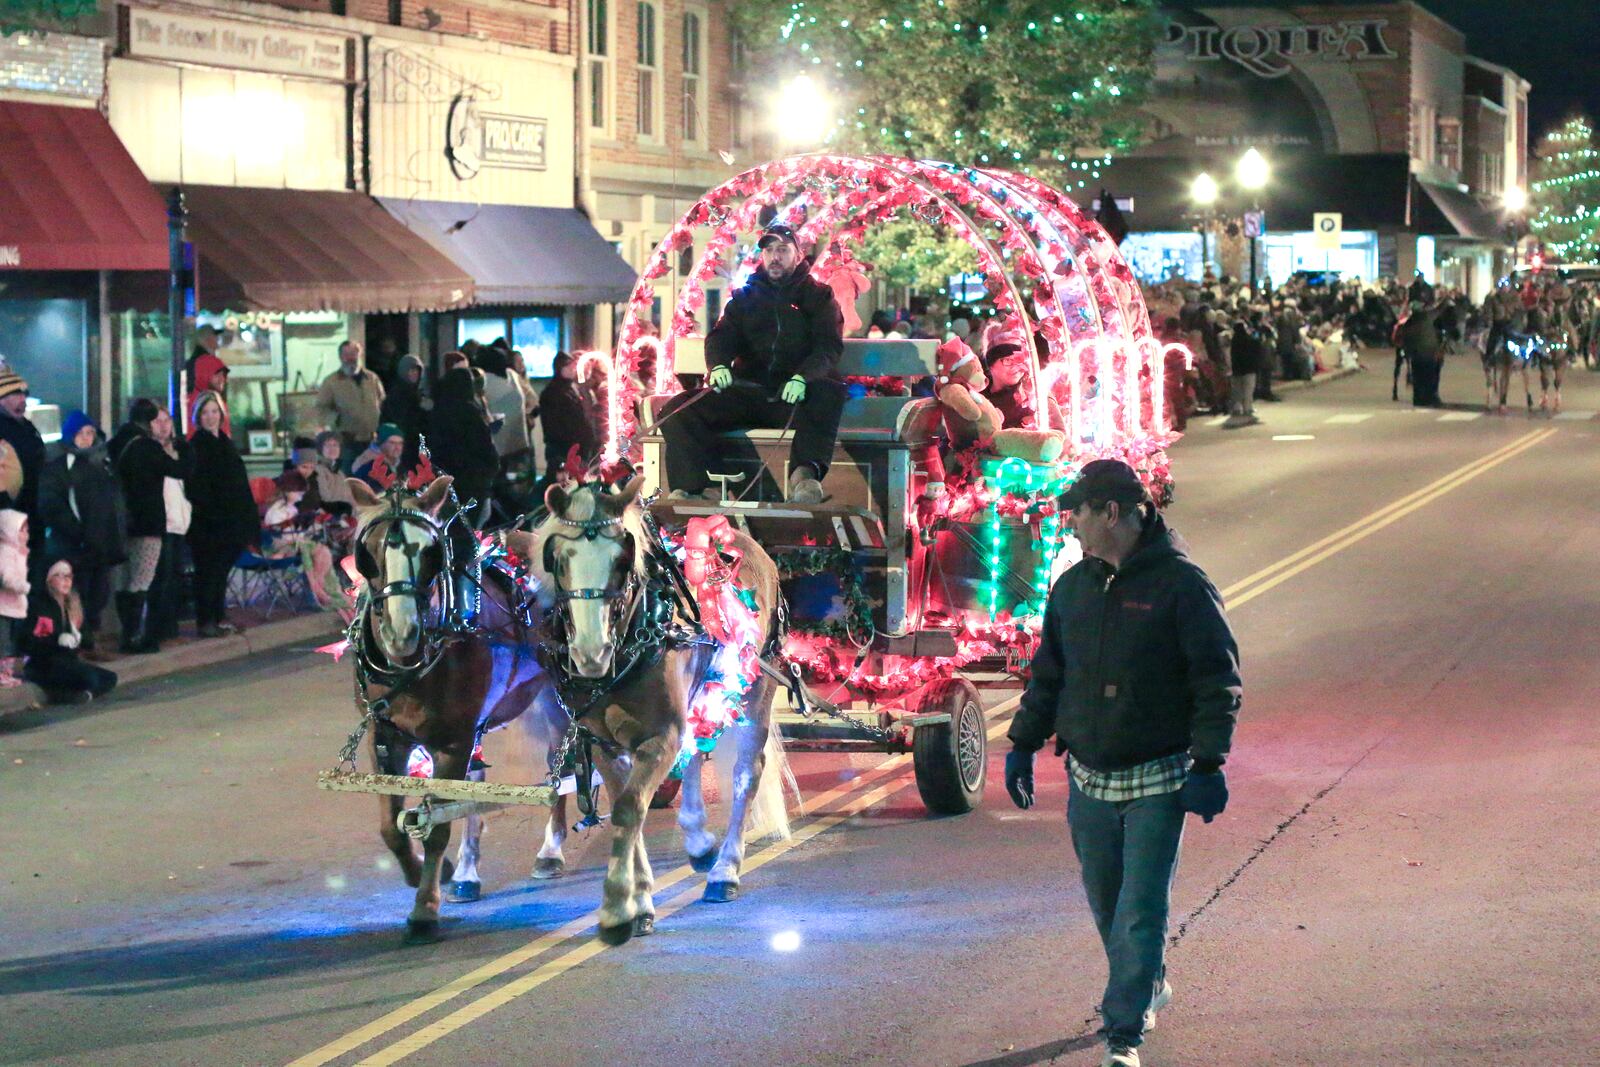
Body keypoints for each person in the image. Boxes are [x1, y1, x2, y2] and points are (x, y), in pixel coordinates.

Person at [1004, 460, 1241, 1067]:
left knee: (1140, 911)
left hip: (1158, 779)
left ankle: (1122, 1036)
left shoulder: (1183, 586)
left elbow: (1217, 679)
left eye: (1078, 512)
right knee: (1108, 904)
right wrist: (1023, 744)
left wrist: (1209, 762)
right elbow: (1049, 676)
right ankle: (1148, 981)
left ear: (1111, 513)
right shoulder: (1073, 588)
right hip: (1089, 779)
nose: (1072, 525)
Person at [659, 221, 846, 503]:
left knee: (829, 393)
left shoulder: (818, 296)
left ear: (798, 254)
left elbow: (828, 347)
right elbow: (722, 336)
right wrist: (718, 365)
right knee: (677, 409)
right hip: (750, 392)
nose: (775, 256)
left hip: (796, 398)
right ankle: (696, 488)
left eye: (783, 250)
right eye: (769, 250)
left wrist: (802, 378)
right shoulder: (746, 296)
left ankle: (804, 477)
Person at [38, 411, 126, 651]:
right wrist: (78, 533)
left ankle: (89, 640)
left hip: (99, 544)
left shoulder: (101, 465)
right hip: (73, 545)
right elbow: (52, 505)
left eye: (90, 433)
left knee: (98, 594)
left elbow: (112, 505)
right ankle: (80, 644)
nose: (87, 439)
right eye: (81, 434)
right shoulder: (59, 466)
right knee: (77, 595)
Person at [114, 399, 192, 653]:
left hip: (120, 522)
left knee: (126, 580)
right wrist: (184, 447)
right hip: (148, 522)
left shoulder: (117, 443)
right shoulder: (146, 447)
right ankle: (134, 636)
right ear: (148, 422)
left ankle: (127, 633)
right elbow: (180, 469)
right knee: (142, 580)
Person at [185, 390, 259, 637]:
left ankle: (218, 614)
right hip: (208, 522)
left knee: (220, 571)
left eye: (214, 412)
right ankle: (205, 619)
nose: (210, 417)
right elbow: (199, 487)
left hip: (231, 521)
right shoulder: (197, 446)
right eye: (205, 413)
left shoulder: (226, 443)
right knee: (207, 571)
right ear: (198, 417)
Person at [21, 559, 116, 702]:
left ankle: (84, 695)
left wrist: (80, 636)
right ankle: (62, 695)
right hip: (44, 664)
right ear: (48, 580)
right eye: (58, 576)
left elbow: (87, 641)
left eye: (68, 576)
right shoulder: (41, 606)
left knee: (110, 677)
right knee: (89, 678)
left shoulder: (72, 603)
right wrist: (58, 639)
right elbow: (36, 642)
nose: (65, 581)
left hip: (67, 661)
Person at [426, 367, 498, 525]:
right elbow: (486, 448)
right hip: (473, 483)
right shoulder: (471, 413)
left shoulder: (437, 412)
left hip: (444, 484)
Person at [315, 340, 385, 468]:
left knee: (370, 478)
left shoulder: (372, 378)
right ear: (340, 357)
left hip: (371, 441)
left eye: (354, 353)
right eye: (346, 354)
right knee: (348, 478)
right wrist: (337, 420)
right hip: (346, 441)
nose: (350, 358)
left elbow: (381, 401)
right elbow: (321, 407)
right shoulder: (331, 382)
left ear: (360, 355)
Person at [0, 369, 46, 558]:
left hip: (33, 514)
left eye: (24, 394)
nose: (23, 400)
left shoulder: (27, 427)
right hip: (10, 518)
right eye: (16, 394)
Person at [538, 352, 599, 484]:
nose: (574, 370)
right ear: (562, 368)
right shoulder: (553, 392)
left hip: (576, 447)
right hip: (565, 449)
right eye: (571, 367)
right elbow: (555, 425)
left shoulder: (571, 388)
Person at [353, 423, 436, 491]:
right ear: (381, 444)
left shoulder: (397, 464)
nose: (397, 447)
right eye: (392, 443)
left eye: (400, 443)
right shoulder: (370, 466)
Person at [0, 509, 28, 687]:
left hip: (14, 607)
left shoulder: (18, 552)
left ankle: (7, 672)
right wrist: (25, 587)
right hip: (4, 607)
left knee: (10, 643)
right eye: (22, 530)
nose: (26, 534)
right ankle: (2, 674)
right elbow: (7, 578)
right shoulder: (5, 552)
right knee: (3, 644)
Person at [1398, 301, 1443, 407]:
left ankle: (1418, 399)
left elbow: (1405, 339)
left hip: (1416, 355)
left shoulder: (1409, 322)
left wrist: (1407, 353)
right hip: (1429, 353)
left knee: (1418, 377)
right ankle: (1429, 398)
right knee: (1429, 377)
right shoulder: (1429, 318)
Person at [1225, 311, 1266, 427]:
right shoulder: (1250, 340)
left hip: (1237, 369)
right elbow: (1258, 347)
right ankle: (1248, 407)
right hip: (1249, 369)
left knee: (1237, 390)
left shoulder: (1234, 341)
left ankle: (1237, 407)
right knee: (1248, 390)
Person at [379, 352, 428, 442]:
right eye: (411, 370)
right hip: (400, 443)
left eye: (417, 370)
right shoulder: (397, 395)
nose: (414, 373)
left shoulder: (419, 395)